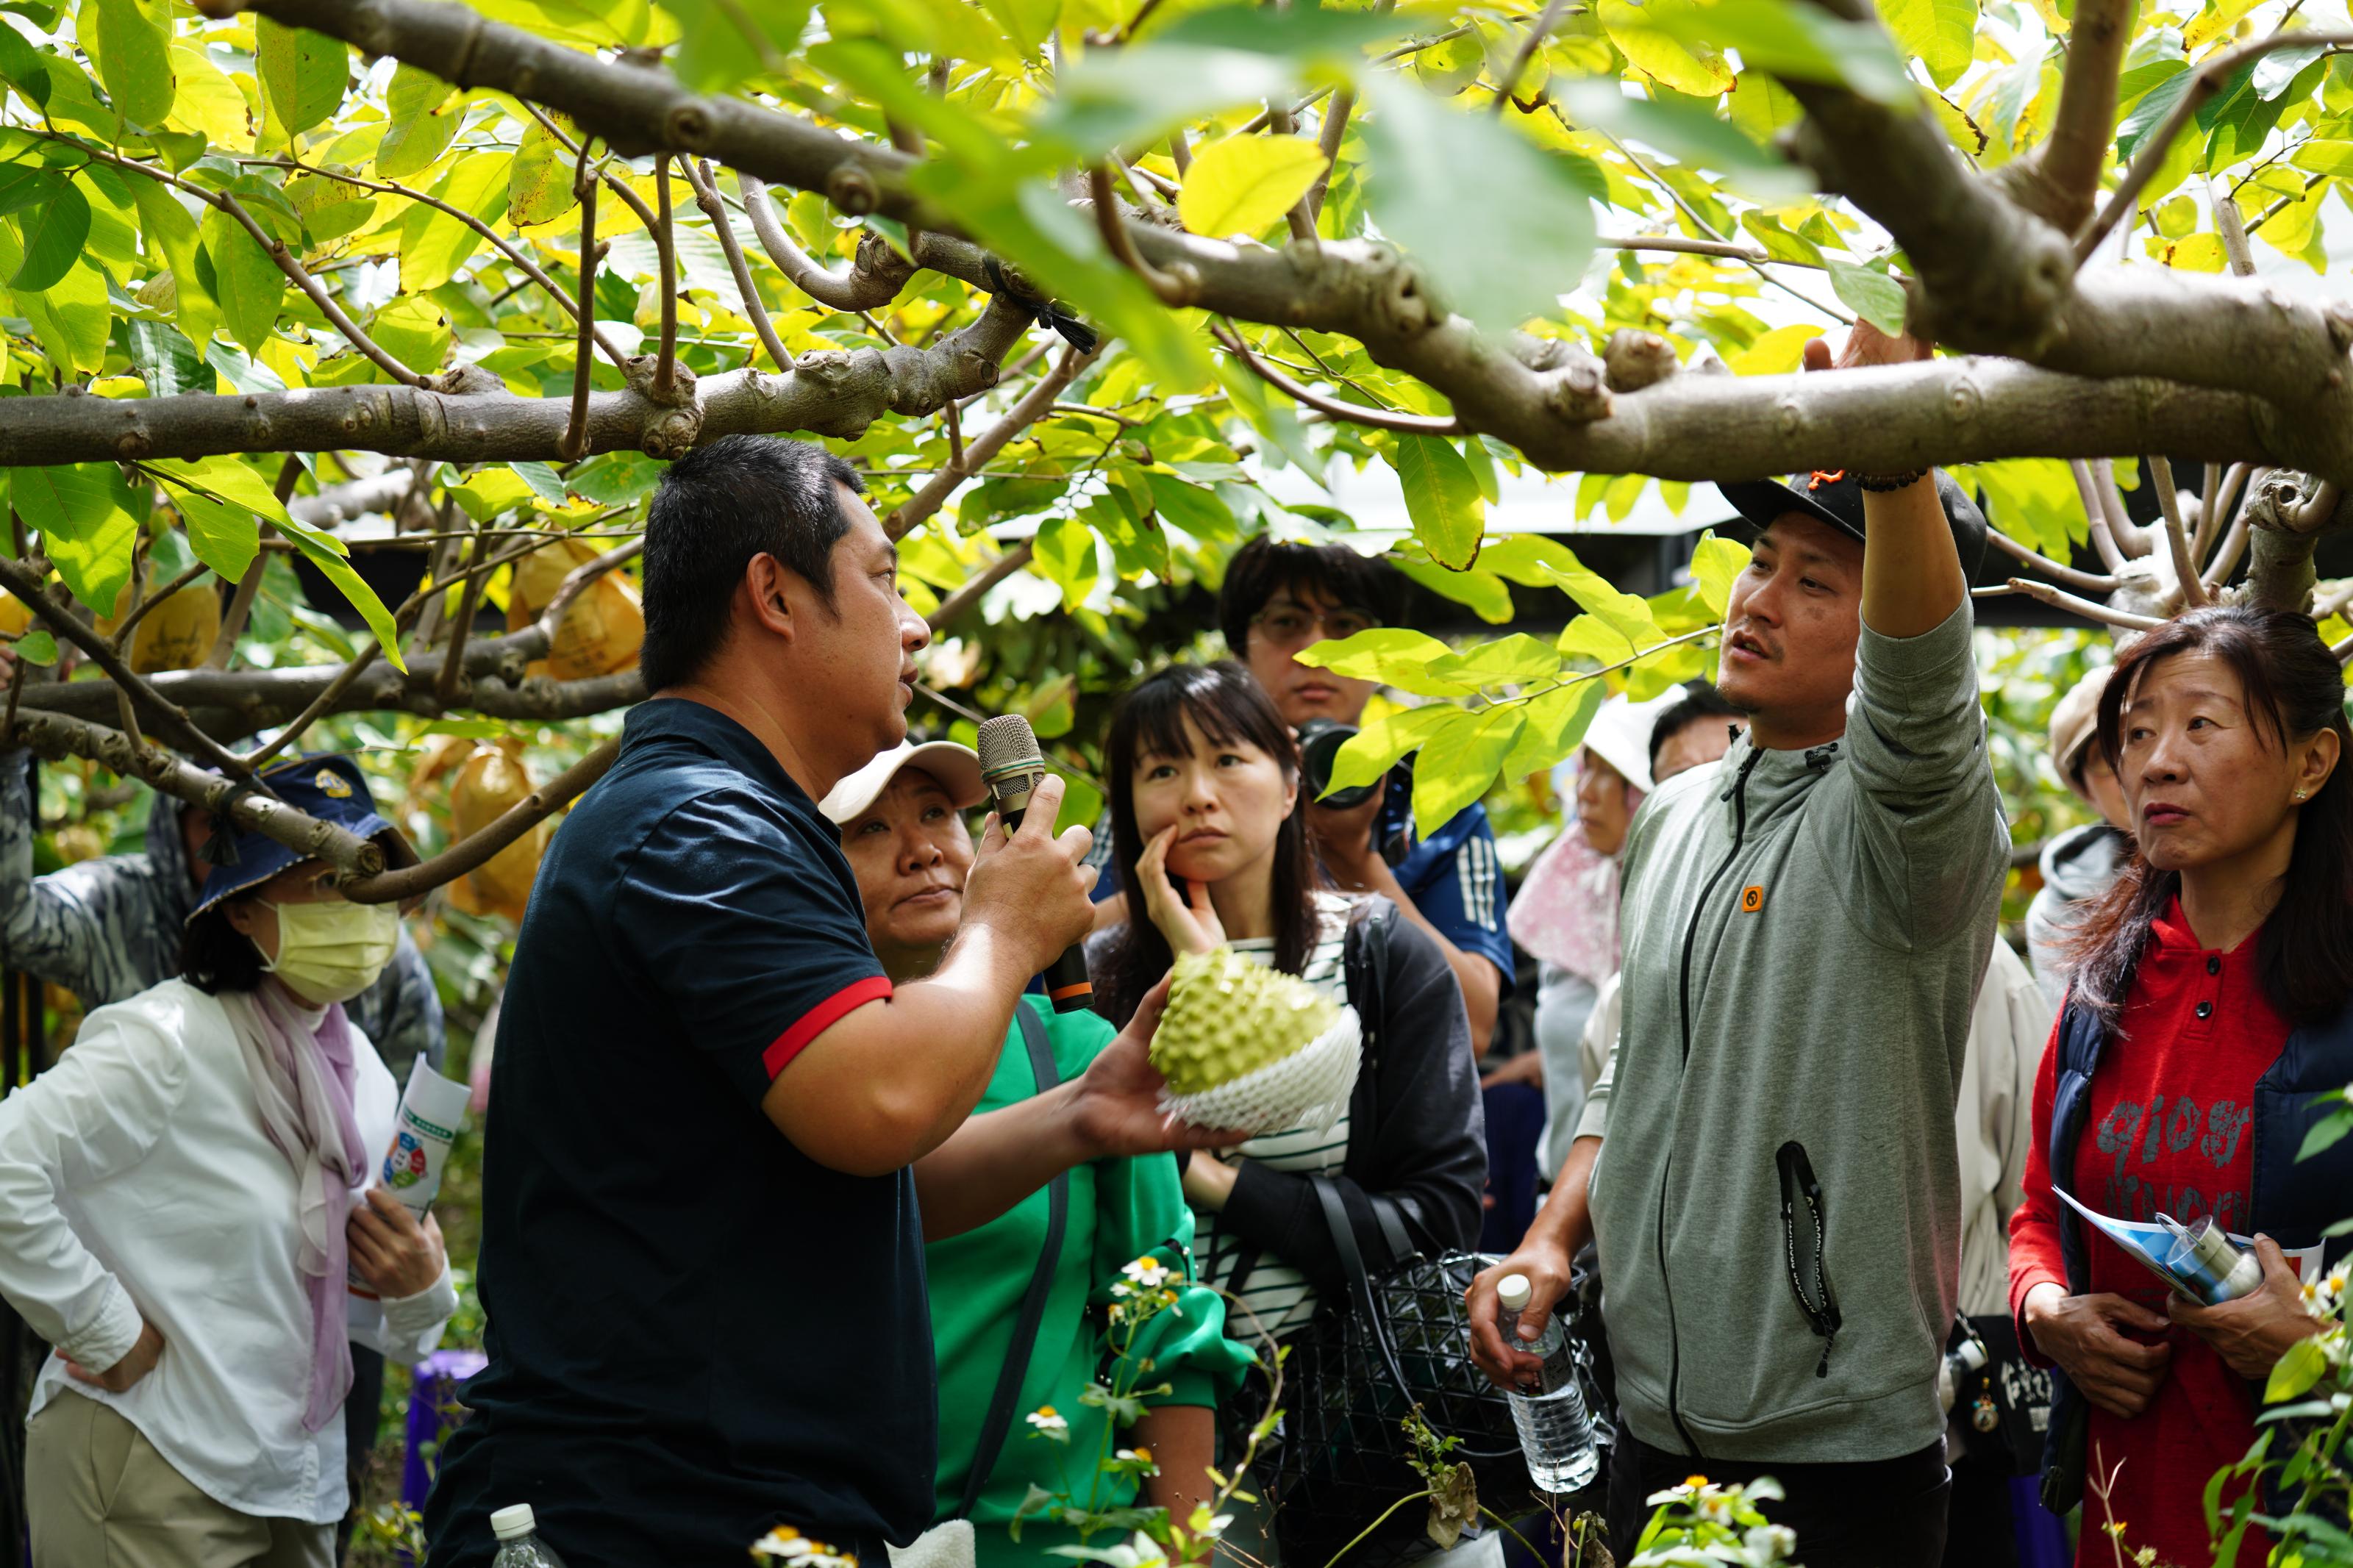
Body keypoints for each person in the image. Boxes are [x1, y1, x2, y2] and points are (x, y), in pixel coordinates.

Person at [424, 437, 1104, 1568]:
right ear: (775, 594)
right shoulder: (701, 822)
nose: (917, 624)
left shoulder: (730, 816)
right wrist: (1002, 927)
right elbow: (879, 1099)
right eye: (886, 578)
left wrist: (1085, 1112)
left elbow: (848, 1180)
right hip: (644, 1523)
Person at [1467, 323, 2009, 1568]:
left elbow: (1927, 695)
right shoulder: (1675, 815)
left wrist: (1896, 446)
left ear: (1884, 632)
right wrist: (1555, 1234)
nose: (1760, 597)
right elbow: (1628, 1067)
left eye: (1817, 581)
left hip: (1838, 1445)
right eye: (1760, 561)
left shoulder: (1908, 827)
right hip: (1652, 1414)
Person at [0, 755, 458, 1568]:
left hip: (293, 1481)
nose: (353, 907)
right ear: (242, 910)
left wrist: (421, 1289)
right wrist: (97, 1322)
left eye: (366, 882)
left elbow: (360, 1291)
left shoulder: (363, 1078)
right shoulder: (167, 1039)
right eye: (320, 884)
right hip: (151, 1458)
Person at [819, 739, 1254, 1565]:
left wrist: (1186, 1550)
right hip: (841, 1538)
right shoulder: (798, 1070)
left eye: (938, 814)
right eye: (868, 829)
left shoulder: (1086, 1051)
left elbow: (1159, 1326)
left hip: (1057, 1545)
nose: (920, 850)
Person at [1089, 662, 1485, 1561]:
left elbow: (1441, 1218)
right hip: (1169, 1439)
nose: (1195, 797)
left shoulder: (1376, 957)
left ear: (1289, 782)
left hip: (1375, 1432)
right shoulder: (1100, 986)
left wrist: (1212, 1180)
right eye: (1159, 772)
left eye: (1228, 760)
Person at [2008, 606, 2353, 1568]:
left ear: (2311, 763)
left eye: (2201, 725)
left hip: (2309, 1522)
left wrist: (2322, 1349)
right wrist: (2047, 1314)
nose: (2156, 762)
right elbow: (2038, 1209)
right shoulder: (2100, 993)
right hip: (2126, 1516)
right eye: (2137, 734)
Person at [1510, 689, 1718, 1179]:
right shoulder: (1576, 897)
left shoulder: (1706, 909)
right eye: (1587, 768)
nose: (1586, 791)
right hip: (1564, 1201)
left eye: (1613, 774)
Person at [2027, 665, 2131, 1009]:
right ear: (2085, 791)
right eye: (2104, 755)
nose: (2132, 766)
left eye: (2141, 735)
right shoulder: (2059, 912)